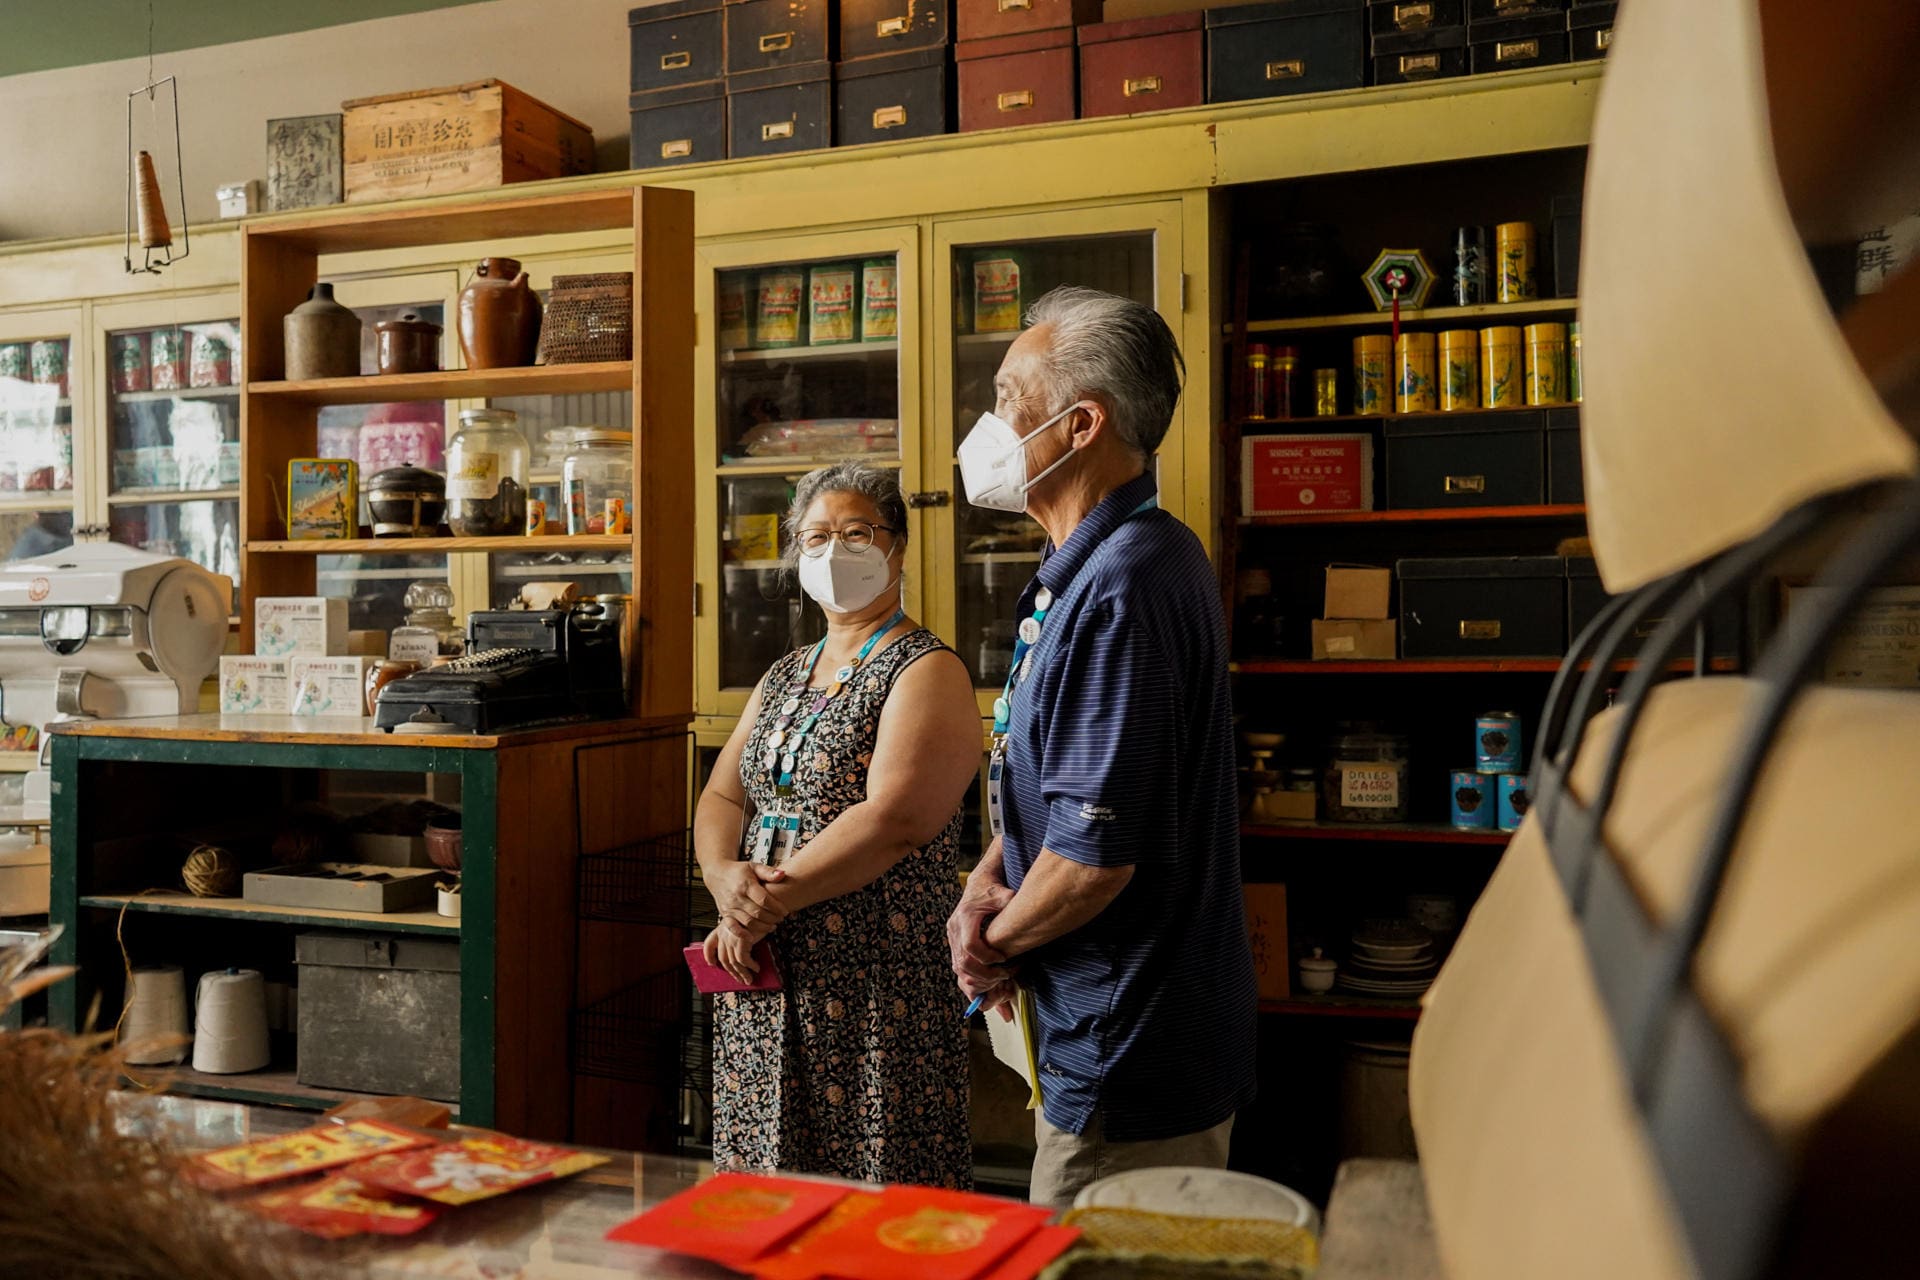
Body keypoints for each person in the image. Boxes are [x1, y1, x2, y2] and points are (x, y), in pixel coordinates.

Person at [945, 286, 1257, 1208]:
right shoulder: (1092, 569)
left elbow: (1093, 862)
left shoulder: (1130, 583)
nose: (990, 424)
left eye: (1010, 400)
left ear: (1081, 426)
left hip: (1133, 1050)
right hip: (1098, 1027)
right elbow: (1064, 783)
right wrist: (983, 883)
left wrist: (984, 944)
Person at [695, 460, 983, 1188]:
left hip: (873, 988)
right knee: (767, 1197)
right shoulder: (787, 672)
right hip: (762, 971)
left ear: (898, 547)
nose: (834, 552)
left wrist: (760, 905)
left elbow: (895, 822)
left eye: (857, 532)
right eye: (815, 537)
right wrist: (724, 880)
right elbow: (723, 798)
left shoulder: (926, 669)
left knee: (873, 1194)